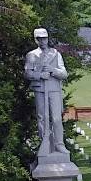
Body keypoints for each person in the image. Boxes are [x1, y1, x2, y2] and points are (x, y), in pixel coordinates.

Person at [24, 28, 70, 157]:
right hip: (40, 89)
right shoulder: (31, 55)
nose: (43, 41)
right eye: (39, 38)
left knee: (56, 118)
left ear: (48, 38)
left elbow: (64, 74)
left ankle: (59, 144)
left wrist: (52, 70)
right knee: (42, 118)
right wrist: (39, 75)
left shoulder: (56, 54)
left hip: (54, 89)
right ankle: (45, 142)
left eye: (44, 38)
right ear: (36, 40)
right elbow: (28, 73)